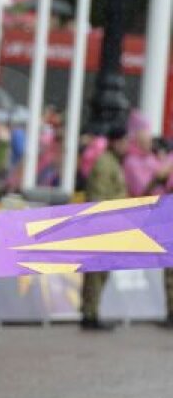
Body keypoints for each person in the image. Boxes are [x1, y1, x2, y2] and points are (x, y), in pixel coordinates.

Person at [80, 125, 129, 332]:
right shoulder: (104, 164)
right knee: (95, 273)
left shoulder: (113, 163)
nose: (127, 147)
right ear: (116, 142)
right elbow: (98, 197)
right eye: (125, 142)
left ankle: (93, 311)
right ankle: (89, 314)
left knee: (102, 273)